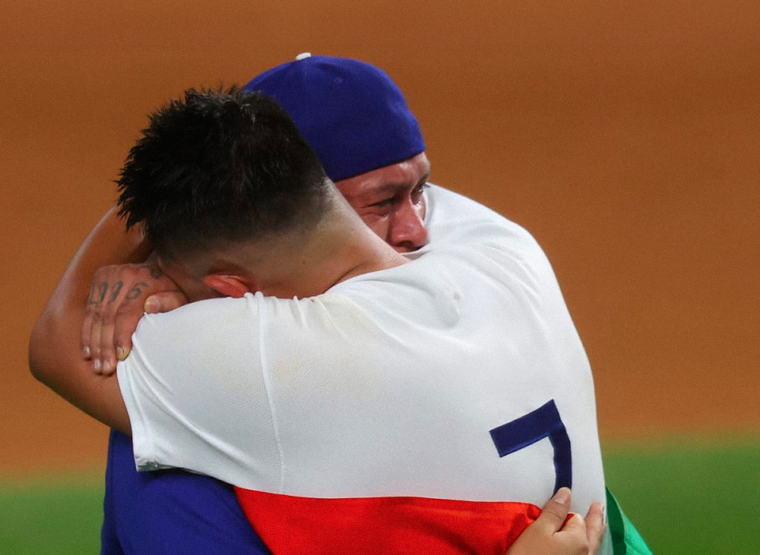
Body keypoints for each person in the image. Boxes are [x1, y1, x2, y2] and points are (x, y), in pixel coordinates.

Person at [30, 86, 608, 554]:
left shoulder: (271, 359)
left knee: (156, 453)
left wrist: (169, 222)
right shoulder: (499, 247)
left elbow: (59, 344)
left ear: (233, 289)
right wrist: (246, 136)